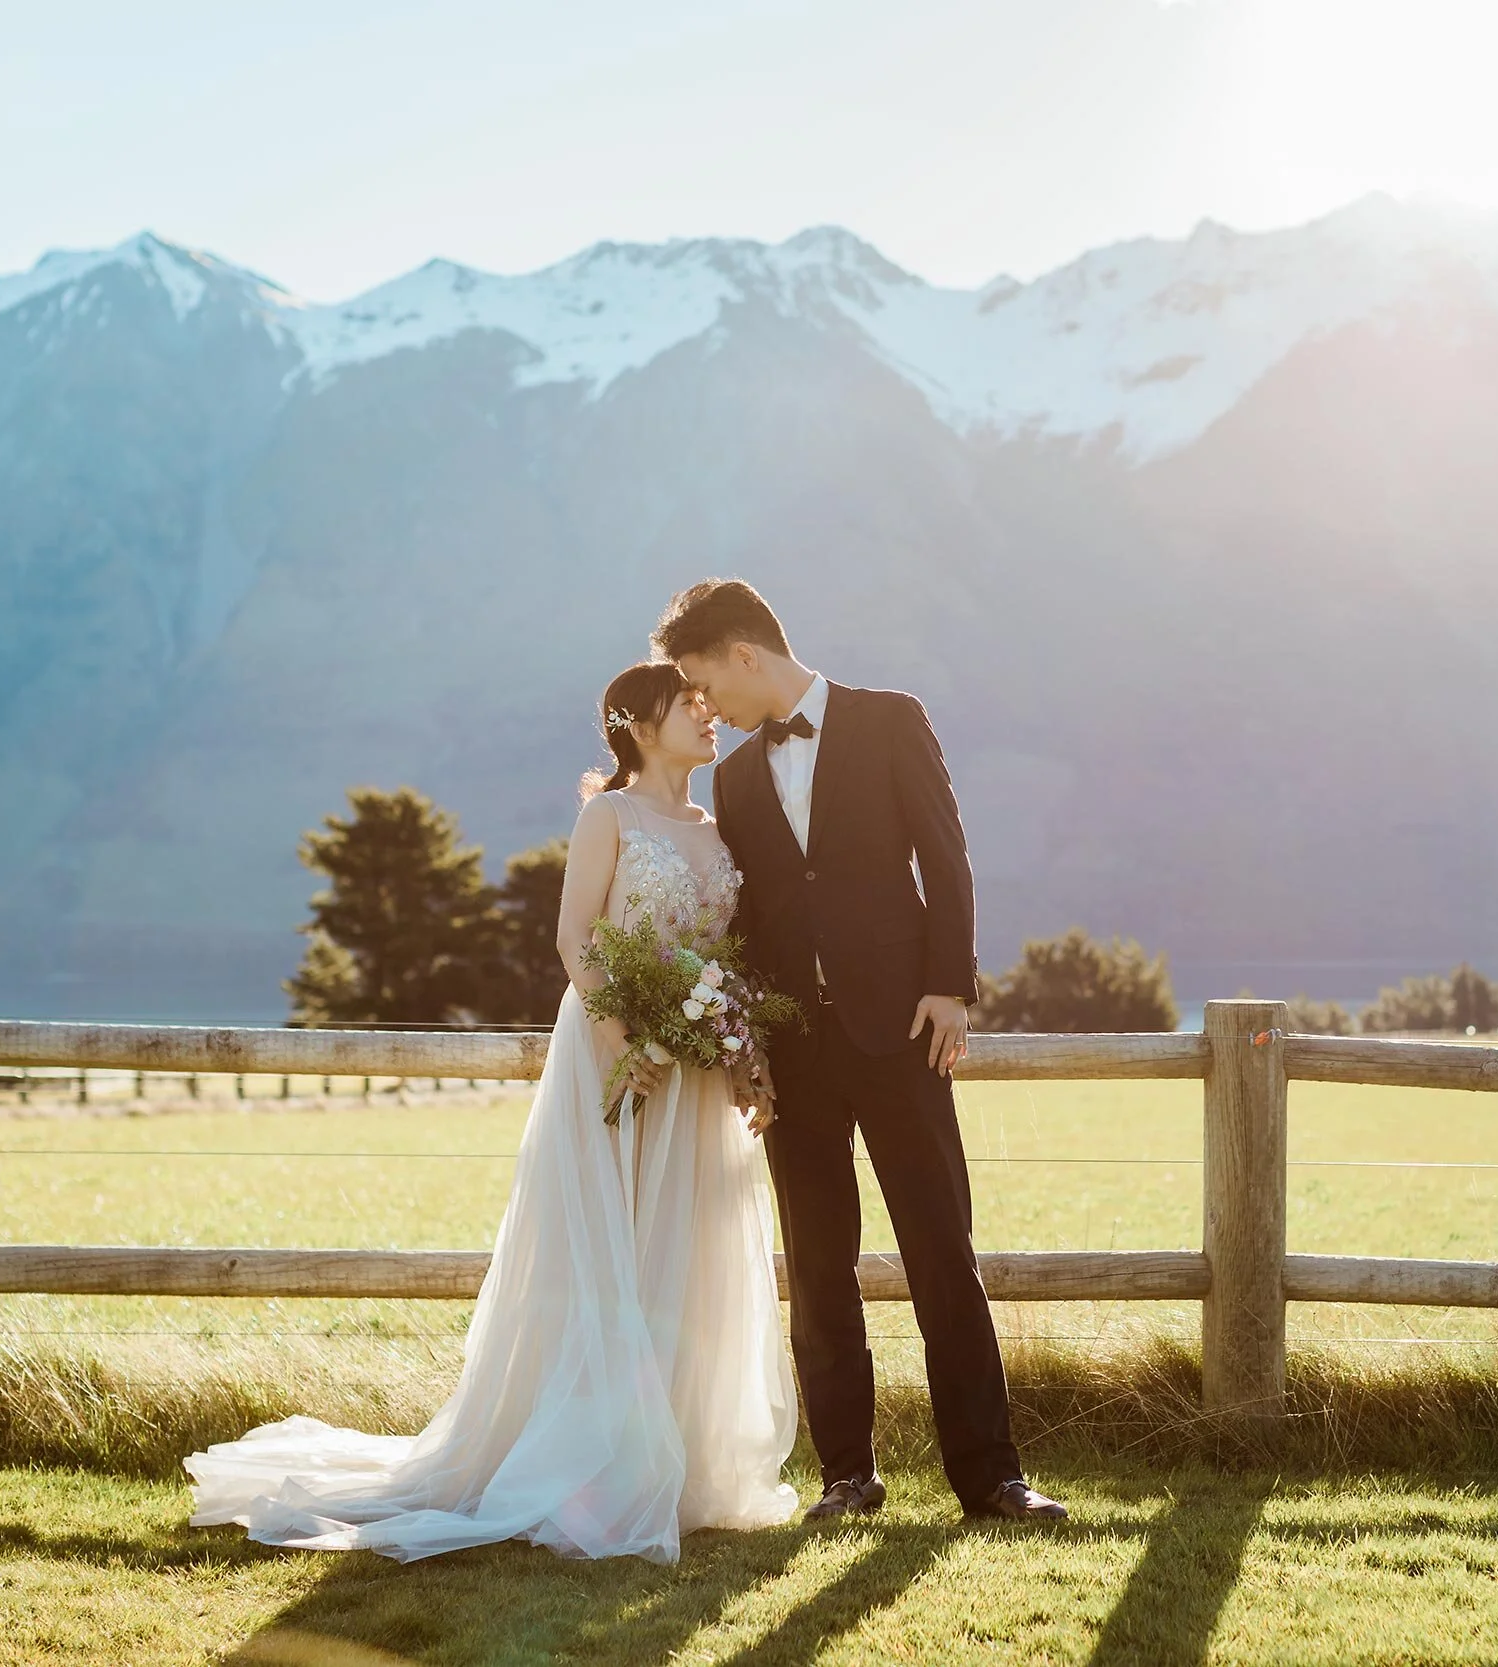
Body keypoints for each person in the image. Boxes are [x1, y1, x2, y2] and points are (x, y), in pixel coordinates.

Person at [185, 661, 797, 1563]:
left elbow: (728, 958)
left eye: (709, 704)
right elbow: (575, 938)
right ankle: (599, 1465)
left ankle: (687, 1460)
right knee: (613, 1253)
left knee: (688, 1252)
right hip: (616, 1058)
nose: (710, 717)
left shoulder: (715, 827)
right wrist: (625, 1048)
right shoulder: (609, 817)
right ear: (638, 723)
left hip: (698, 1074)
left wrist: (742, 1051)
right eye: (689, 705)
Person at [655, 578, 1067, 1524]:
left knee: (940, 1254)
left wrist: (949, 985)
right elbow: (754, 915)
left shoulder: (891, 719)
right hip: (795, 1053)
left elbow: (945, 854)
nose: (703, 704)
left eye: (702, 679)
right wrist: (746, 1041)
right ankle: (848, 1473)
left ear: (745, 654)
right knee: (820, 1266)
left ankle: (992, 1476)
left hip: (902, 1034)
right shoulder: (737, 776)